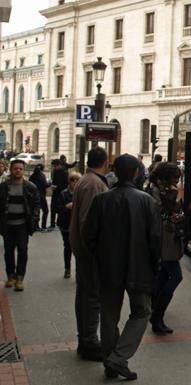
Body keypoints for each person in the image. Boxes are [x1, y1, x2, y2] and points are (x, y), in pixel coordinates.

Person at [85, 154, 161, 380]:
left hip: (108, 267)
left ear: (114, 172)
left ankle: (111, 361)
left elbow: (89, 236)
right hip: (139, 267)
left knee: (109, 316)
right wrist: (154, 264)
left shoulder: (102, 200)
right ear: (137, 173)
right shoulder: (147, 201)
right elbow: (155, 239)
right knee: (142, 311)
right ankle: (118, 358)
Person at [69, 147, 109, 362]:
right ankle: (90, 341)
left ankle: (85, 338)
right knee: (92, 296)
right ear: (105, 162)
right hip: (89, 252)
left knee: (85, 295)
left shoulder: (86, 179)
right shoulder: (94, 183)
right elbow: (88, 221)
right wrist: (95, 250)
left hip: (82, 249)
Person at [148, 163, 184, 335]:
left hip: (167, 236)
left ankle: (154, 309)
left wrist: (176, 214)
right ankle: (157, 315)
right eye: (174, 177)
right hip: (163, 239)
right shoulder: (156, 190)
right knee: (176, 276)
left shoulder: (161, 189)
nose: (177, 181)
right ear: (165, 177)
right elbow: (158, 212)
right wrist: (172, 202)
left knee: (163, 275)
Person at [0, 159, 40, 292]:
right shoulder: (3, 187)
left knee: (23, 250)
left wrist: (34, 220)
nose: (18, 170)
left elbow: (36, 205)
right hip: (7, 225)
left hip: (23, 225)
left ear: (23, 171)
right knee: (9, 251)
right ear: (11, 170)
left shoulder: (30, 187)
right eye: (15, 168)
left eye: (20, 169)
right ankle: (10, 276)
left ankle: (20, 278)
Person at [57, 172, 80, 278]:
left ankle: (78, 271)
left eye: (77, 180)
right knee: (68, 247)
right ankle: (67, 268)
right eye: (72, 180)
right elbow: (58, 208)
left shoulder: (82, 193)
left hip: (78, 225)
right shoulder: (63, 193)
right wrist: (66, 207)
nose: (74, 182)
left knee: (78, 248)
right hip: (66, 224)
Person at [28, 164, 50, 231]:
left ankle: (36, 226)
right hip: (41, 196)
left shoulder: (32, 176)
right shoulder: (42, 176)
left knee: (36, 211)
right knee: (45, 211)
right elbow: (45, 185)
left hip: (33, 196)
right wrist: (50, 184)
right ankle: (43, 226)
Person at [50, 159, 69, 228]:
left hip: (61, 194)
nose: (54, 168)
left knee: (60, 208)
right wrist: (52, 185)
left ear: (59, 165)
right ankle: (52, 224)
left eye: (55, 166)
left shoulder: (65, 173)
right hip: (55, 193)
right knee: (53, 208)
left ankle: (59, 222)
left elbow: (66, 184)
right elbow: (54, 181)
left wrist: (57, 187)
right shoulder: (55, 171)